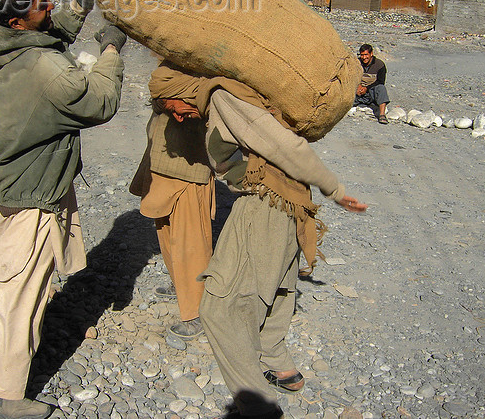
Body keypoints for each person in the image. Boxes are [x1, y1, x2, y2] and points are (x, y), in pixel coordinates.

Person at [149, 65, 367, 419]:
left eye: (169, 103)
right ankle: (281, 367)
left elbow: (284, 145)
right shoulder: (220, 100)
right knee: (278, 284)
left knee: (218, 309)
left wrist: (335, 188)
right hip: (287, 200)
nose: (173, 114)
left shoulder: (223, 99)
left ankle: (256, 407)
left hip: (265, 204)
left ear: (182, 89)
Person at [0, 0, 127, 419]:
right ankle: (0, 396)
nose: (48, 5)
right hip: (32, 202)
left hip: (14, 187)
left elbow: (52, 30)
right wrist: (112, 47)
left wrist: (81, 0)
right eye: (41, 1)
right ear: (18, 21)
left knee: (21, 292)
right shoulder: (45, 70)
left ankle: (1, 382)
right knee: (16, 301)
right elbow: (99, 101)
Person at [129, 62, 215, 339]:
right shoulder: (170, 70)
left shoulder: (208, 78)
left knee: (192, 243)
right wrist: (166, 104)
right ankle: (181, 283)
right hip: (161, 163)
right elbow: (159, 91)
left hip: (190, 170)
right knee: (165, 231)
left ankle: (197, 311)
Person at [355, 43, 390, 124]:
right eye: (362, 55)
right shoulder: (356, 63)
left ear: (371, 54)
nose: (364, 57)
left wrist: (367, 88)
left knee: (381, 88)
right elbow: (351, 77)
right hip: (358, 90)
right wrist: (358, 85)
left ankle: (382, 114)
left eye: (366, 55)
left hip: (371, 91)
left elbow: (380, 81)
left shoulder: (379, 65)